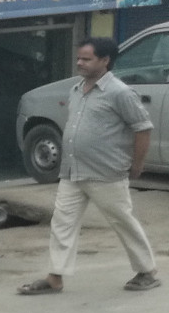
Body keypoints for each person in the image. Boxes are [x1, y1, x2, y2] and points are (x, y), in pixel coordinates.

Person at [19, 36, 160, 295]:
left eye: (86, 59)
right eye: (79, 58)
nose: (79, 63)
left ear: (105, 61)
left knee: (122, 221)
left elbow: (143, 128)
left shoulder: (119, 92)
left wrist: (137, 165)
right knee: (62, 223)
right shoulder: (76, 89)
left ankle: (147, 271)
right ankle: (54, 277)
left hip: (106, 173)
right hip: (72, 171)